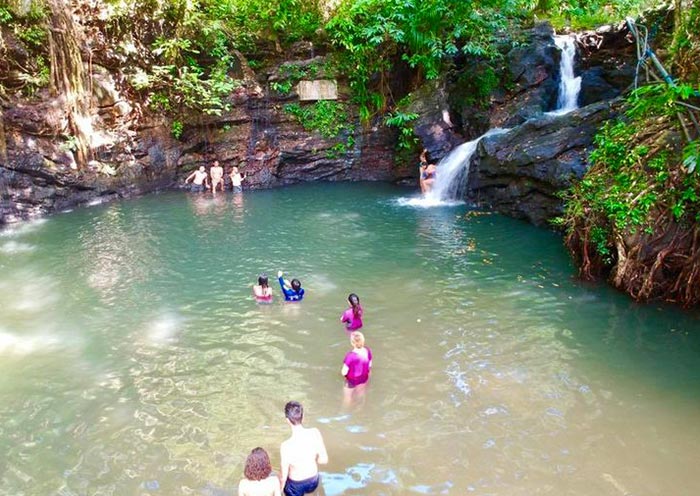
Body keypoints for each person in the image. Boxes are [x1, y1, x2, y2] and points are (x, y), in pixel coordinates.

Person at [280, 401, 328, 496]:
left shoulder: (285, 446)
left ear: (287, 420)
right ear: (303, 416)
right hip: (313, 480)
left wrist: (280, 490)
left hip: (295, 485)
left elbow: (283, 476)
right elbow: (324, 460)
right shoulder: (315, 433)